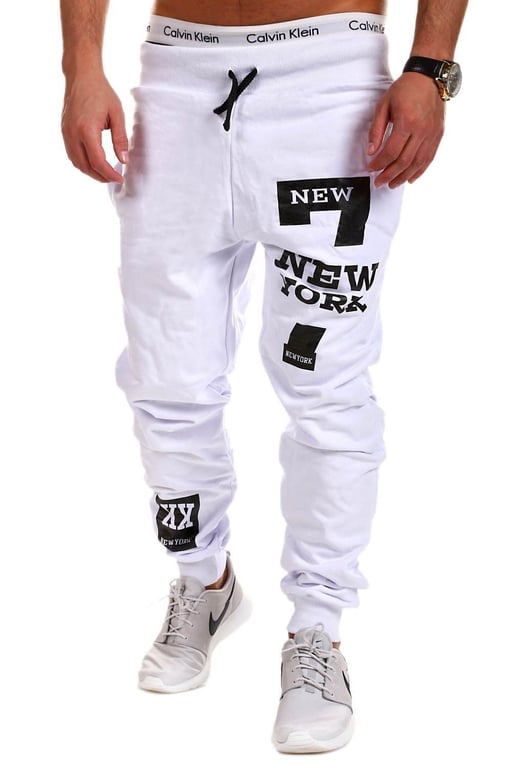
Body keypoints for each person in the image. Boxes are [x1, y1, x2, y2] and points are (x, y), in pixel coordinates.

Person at [60, 0, 468, 754]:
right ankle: (204, 580)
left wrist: (430, 65)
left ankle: (318, 630)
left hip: (332, 88)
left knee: (325, 386)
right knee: (166, 378)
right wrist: (81, 65)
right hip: (178, 80)